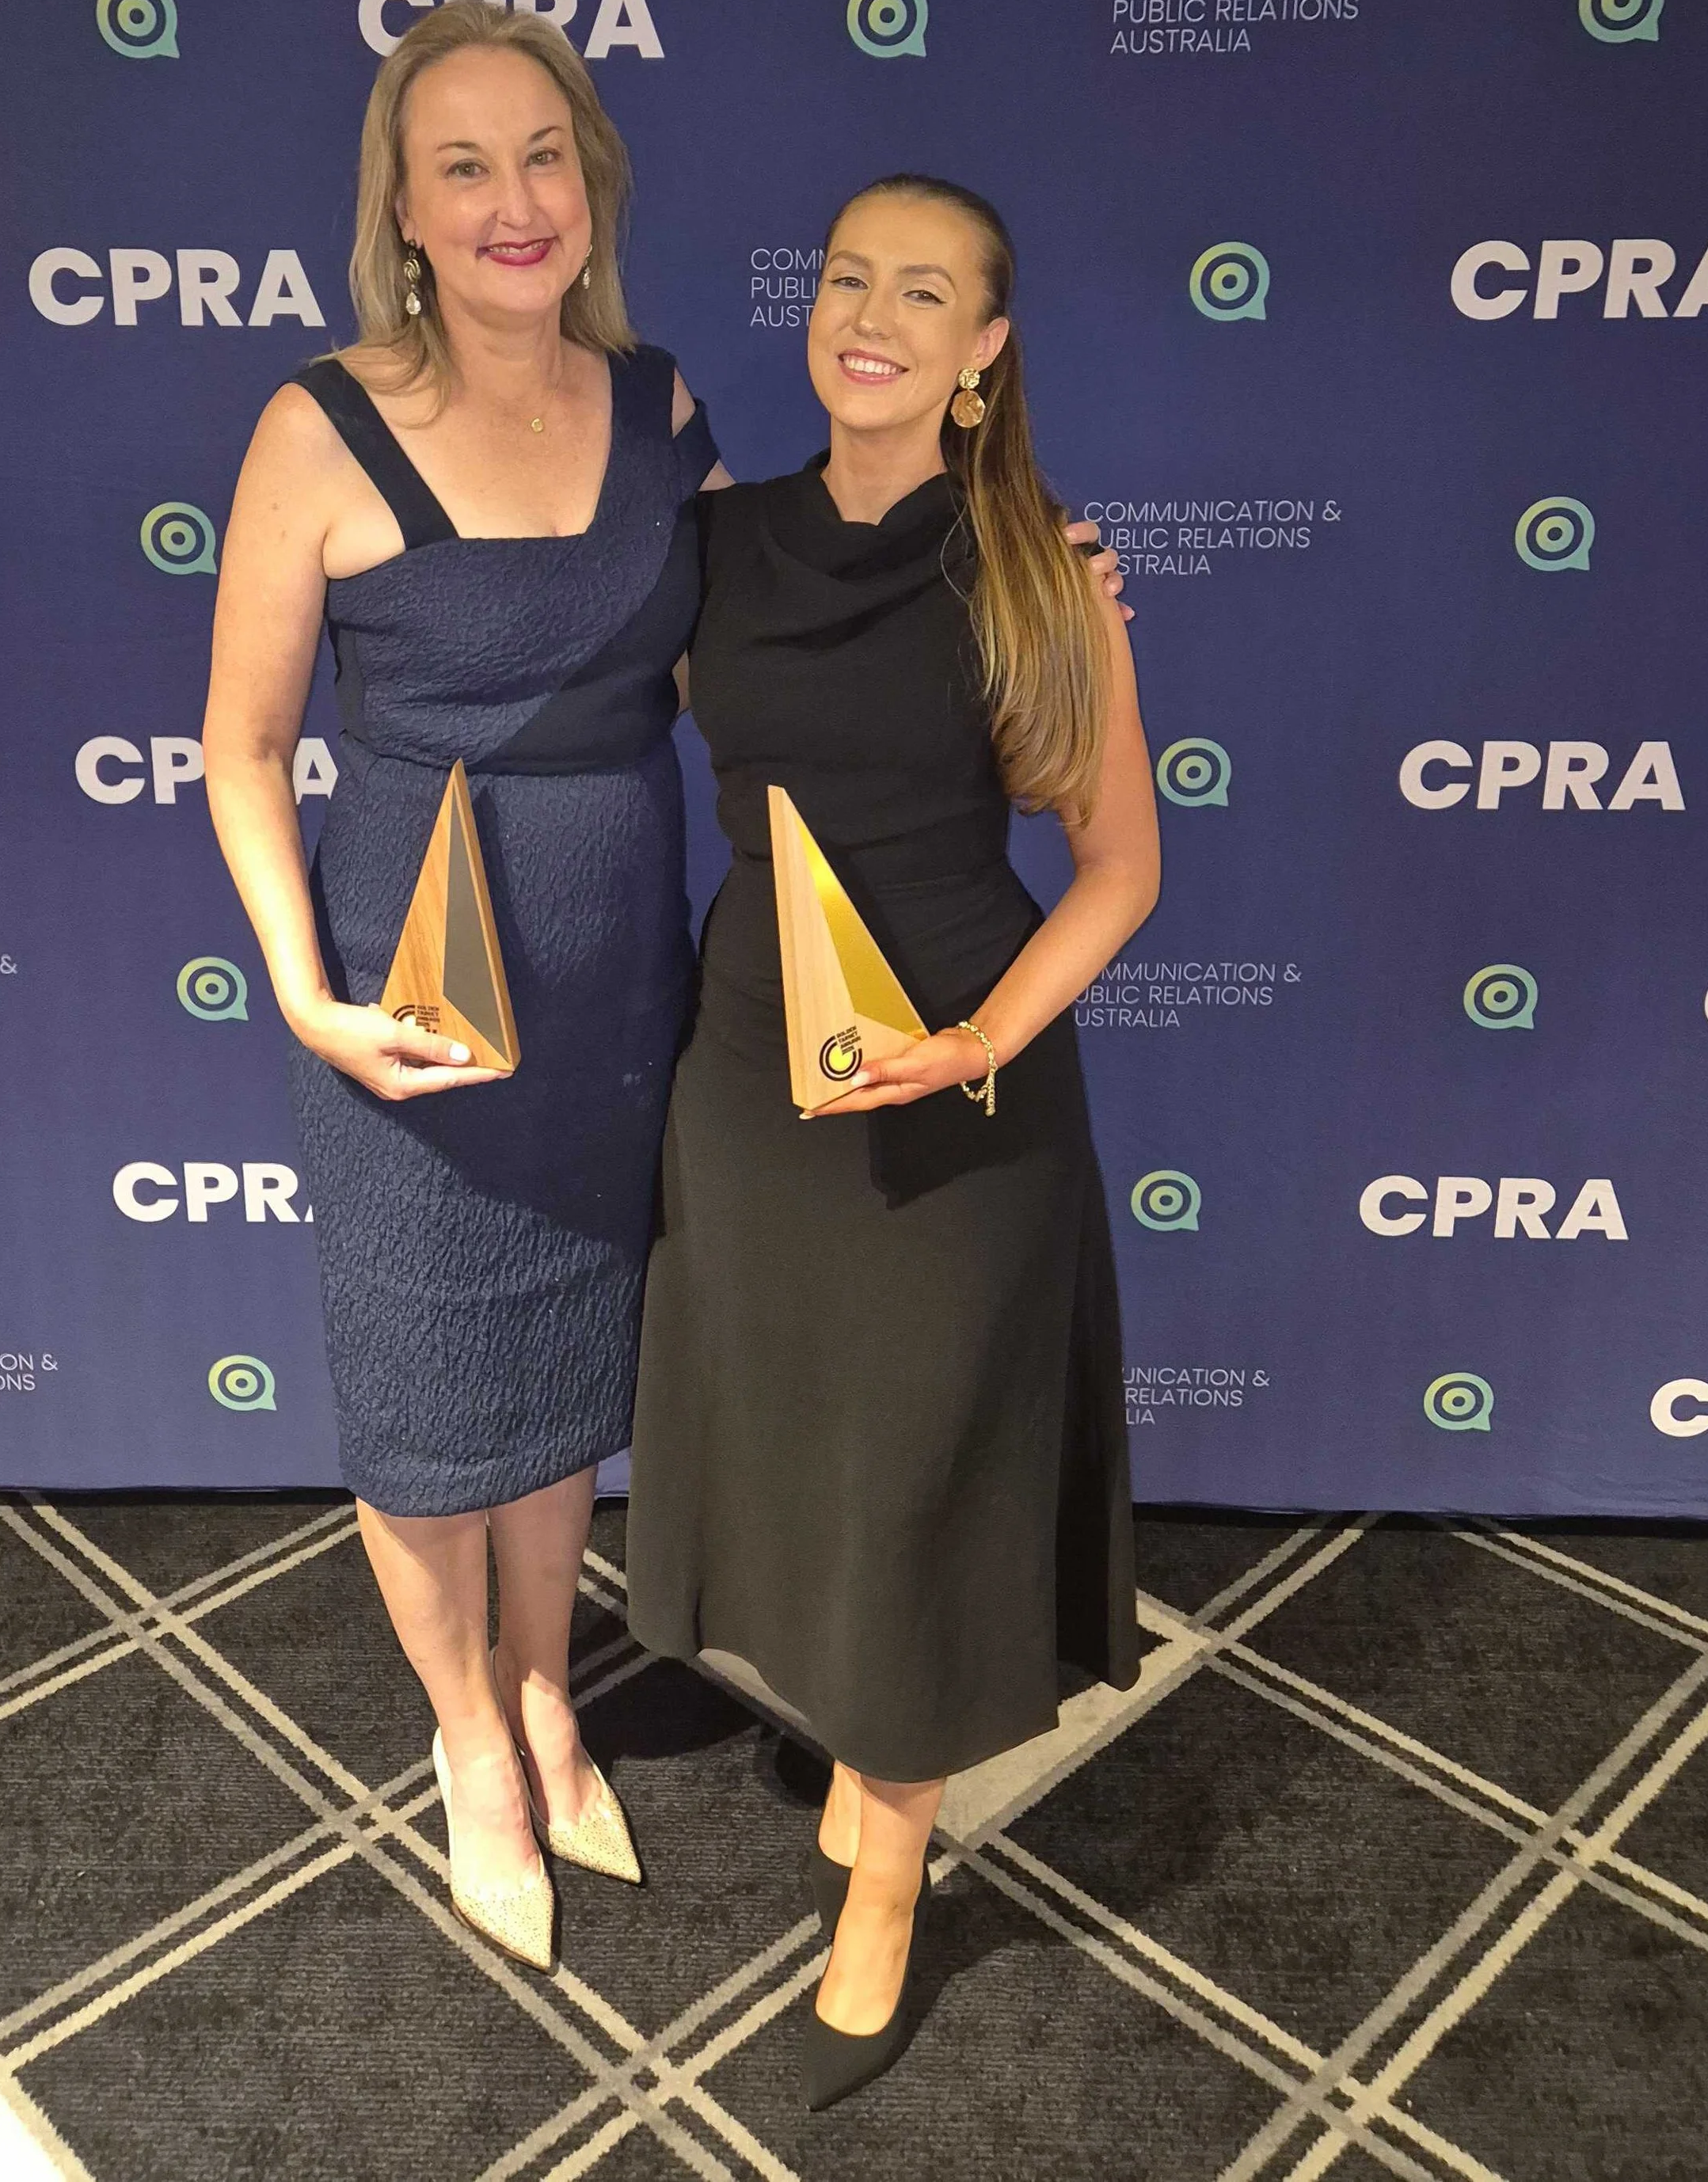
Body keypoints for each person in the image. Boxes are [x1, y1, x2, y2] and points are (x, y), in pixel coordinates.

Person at [201, 0, 725, 1971]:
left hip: (613, 1004)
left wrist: (1008, 576)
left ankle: (547, 1687)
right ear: (401, 213)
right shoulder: (316, 423)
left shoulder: (666, 412)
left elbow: (750, 666)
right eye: (462, 167)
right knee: (431, 1409)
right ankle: (469, 1751)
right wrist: (302, 999)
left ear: (589, 182)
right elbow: (242, 749)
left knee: (563, 1386)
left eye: (543, 156)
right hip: (404, 1005)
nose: (514, 202)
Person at [626, 174, 1159, 2107]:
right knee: (808, 1458)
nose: (874, 315)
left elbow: (1117, 868)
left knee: (928, 1473)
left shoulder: (1033, 567)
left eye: (922, 291)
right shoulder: (721, 543)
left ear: (982, 348)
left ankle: (886, 1892)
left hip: (964, 1093)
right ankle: (860, 1764)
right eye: (850, 277)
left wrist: (980, 1045)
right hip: (756, 1074)